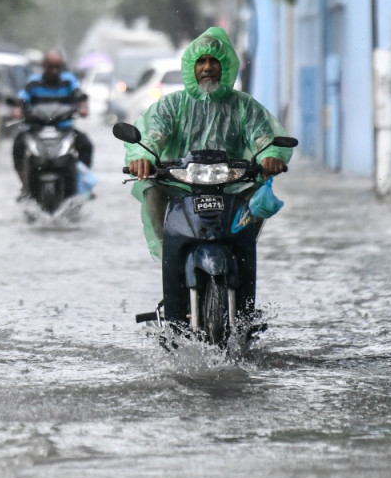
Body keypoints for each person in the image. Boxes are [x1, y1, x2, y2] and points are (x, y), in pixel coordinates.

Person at [124, 26, 291, 309]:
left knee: (255, 201)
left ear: (227, 66)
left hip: (232, 187)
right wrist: (143, 157)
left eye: (215, 61)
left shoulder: (243, 107)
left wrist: (270, 155)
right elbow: (151, 135)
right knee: (152, 191)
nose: (208, 67)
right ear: (191, 67)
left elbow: (264, 136)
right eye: (201, 61)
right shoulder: (172, 105)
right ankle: (172, 262)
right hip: (178, 186)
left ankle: (245, 302)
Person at [12, 50, 93, 192]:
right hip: (37, 130)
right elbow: (22, 98)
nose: (54, 71)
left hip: (64, 130)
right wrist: (18, 109)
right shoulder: (33, 82)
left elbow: (79, 95)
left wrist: (82, 107)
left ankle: (82, 183)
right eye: (50, 66)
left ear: (62, 67)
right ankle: (24, 183)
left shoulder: (69, 80)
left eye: (57, 67)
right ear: (43, 66)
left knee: (86, 145)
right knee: (18, 145)